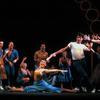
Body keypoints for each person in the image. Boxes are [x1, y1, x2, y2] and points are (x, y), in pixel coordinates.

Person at [7, 60, 77, 93]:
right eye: (41, 61)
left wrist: (59, 70)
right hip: (36, 83)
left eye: (44, 62)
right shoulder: (37, 68)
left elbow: (51, 71)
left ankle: (71, 91)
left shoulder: (43, 70)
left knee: (55, 89)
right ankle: (13, 89)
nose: (42, 62)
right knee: (28, 88)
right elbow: (33, 75)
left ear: (44, 64)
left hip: (42, 83)